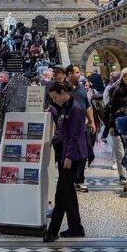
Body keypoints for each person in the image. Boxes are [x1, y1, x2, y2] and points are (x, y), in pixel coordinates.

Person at [43, 80, 88, 241]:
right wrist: (53, 112)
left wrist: (68, 157)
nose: (54, 100)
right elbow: (63, 125)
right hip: (66, 154)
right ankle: (76, 227)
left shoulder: (75, 109)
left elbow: (75, 135)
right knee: (68, 192)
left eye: (55, 97)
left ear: (63, 93)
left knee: (61, 194)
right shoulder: (65, 107)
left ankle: (52, 232)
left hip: (73, 156)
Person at [64, 64, 95, 193]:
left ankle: (80, 180)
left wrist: (92, 121)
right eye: (76, 72)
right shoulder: (64, 88)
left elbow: (87, 105)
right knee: (71, 153)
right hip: (69, 127)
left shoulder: (81, 87)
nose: (79, 74)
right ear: (70, 74)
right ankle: (71, 180)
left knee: (84, 152)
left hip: (83, 125)